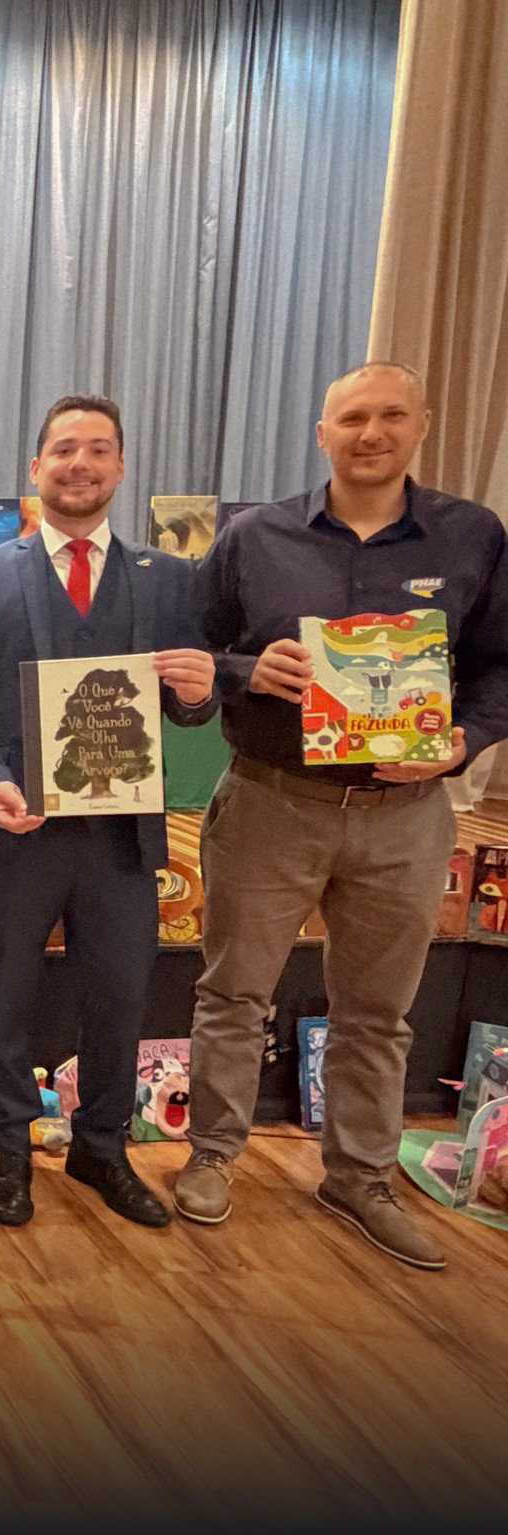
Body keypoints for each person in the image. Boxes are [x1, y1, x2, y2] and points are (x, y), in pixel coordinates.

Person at [176, 362, 508, 1268]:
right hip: (271, 801)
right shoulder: (255, 537)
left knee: (378, 1011)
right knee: (233, 992)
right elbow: (191, 651)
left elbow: (499, 666)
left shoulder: (473, 536)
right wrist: (246, 672)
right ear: (322, 433)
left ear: (422, 424)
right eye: (353, 418)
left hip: (407, 814)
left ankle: (360, 1176)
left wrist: (465, 741)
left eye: (391, 415)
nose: (372, 433)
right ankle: (212, 1155)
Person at [0, 395, 217, 1229]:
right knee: (4, 996)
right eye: (65, 448)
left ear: (121, 466)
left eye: (99, 449)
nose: (81, 464)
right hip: (15, 828)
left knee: (121, 996)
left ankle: (102, 1145)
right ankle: (10, 1148)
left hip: (121, 839)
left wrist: (198, 696)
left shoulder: (168, 579)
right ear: (37, 467)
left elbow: (189, 708)